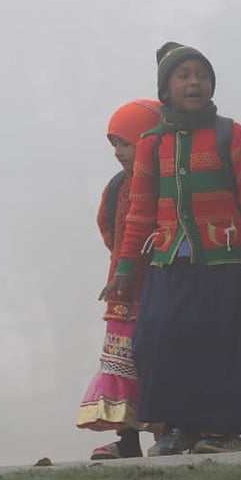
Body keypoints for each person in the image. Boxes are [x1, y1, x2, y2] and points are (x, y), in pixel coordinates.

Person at [108, 42, 241, 455]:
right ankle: (176, 428)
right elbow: (140, 212)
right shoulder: (151, 144)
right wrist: (125, 270)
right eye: (184, 76)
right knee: (160, 338)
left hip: (224, 260)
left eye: (201, 75)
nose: (194, 82)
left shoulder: (228, 132)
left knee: (223, 342)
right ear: (165, 89)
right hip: (169, 260)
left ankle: (223, 431)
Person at [77, 98, 162, 459]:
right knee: (122, 365)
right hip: (123, 293)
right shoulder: (116, 187)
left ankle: (167, 438)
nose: (119, 153)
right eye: (115, 145)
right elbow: (107, 226)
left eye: (126, 143)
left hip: (158, 290)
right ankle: (128, 443)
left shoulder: (166, 182)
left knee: (159, 362)